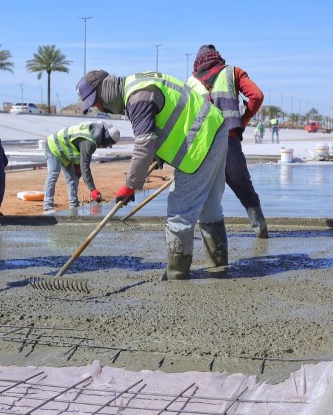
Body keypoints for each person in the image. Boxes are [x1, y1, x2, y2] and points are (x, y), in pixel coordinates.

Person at [77, 69, 228, 280]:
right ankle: (219, 264)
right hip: (215, 128)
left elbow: (143, 146)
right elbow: (165, 122)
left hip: (200, 144)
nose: (99, 108)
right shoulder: (137, 84)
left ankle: (176, 275)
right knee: (210, 205)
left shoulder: (137, 97)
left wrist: (130, 185)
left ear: (104, 89)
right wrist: (157, 156)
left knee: (180, 210)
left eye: (96, 102)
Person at [192, 44, 268, 238]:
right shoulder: (232, 73)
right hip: (228, 140)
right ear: (217, 57)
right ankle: (260, 230)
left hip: (202, 146)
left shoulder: (190, 83)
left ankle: (203, 237)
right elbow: (257, 96)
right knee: (243, 186)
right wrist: (243, 120)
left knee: (201, 190)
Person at [43, 122, 121, 214]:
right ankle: (48, 208)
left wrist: (78, 166)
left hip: (65, 150)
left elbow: (78, 149)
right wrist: (92, 189)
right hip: (53, 146)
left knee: (73, 178)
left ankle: (74, 206)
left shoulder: (94, 131)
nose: (107, 146)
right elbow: (85, 165)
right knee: (53, 175)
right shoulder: (90, 142)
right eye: (108, 144)